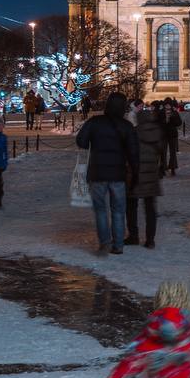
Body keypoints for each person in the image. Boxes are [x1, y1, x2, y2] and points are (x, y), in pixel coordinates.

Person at [76, 91, 140, 255]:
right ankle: (118, 245)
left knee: (100, 210)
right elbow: (134, 152)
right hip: (118, 173)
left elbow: (81, 141)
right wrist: (135, 172)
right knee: (118, 210)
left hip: (97, 172)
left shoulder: (95, 122)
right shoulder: (126, 126)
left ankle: (105, 241)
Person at [126, 106, 165, 248]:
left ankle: (134, 235)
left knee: (131, 205)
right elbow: (161, 152)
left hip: (135, 175)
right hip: (151, 174)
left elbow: (129, 153)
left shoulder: (135, 132)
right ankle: (150, 240)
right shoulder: (157, 132)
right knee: (150, 209)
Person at [161, 99, 181, 175]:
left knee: (173, 153)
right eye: (166, 105)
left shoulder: (175, 112)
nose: (168, 106)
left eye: (169, 104)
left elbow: (179, 123)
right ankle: (163, 168)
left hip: (172, 135)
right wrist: (165, 120)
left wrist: (172, 118)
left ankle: (172, 168)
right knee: (163, 152)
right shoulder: (161, 112)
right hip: (163, 135)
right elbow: (159, 123)